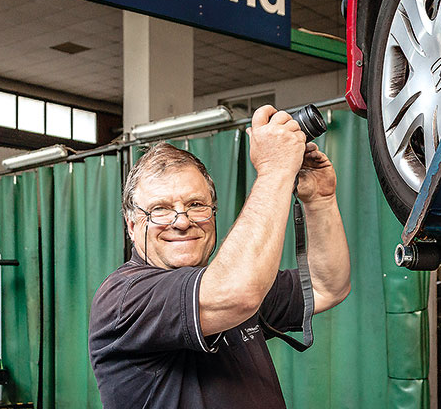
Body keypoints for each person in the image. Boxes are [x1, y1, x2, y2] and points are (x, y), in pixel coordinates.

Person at [88, 105, 351, 408]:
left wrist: (319, 200)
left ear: (213, 213)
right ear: (132, 227)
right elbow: (238, 293)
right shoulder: (124, 297)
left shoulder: (222, 283)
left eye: (196, 204)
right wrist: (275, 169)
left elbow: (325, 287)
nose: (182, 221)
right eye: (159, 209)